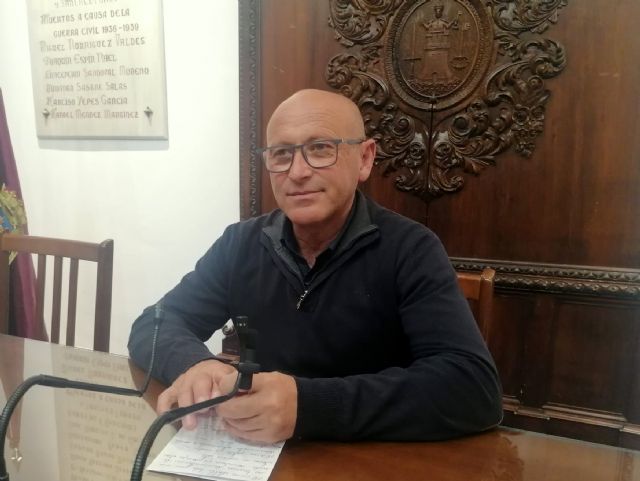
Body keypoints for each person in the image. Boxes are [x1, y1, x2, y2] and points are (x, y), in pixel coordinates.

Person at [128, 89, 502, 444]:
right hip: (263, 454)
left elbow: (473, 388)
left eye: (320, 149)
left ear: (365, 159)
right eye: (281, 154)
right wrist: (195, 364)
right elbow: (154, 324)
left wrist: (307, 406)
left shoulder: (410, 249)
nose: (298, 172)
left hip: (370, 459)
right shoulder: (241, 244)